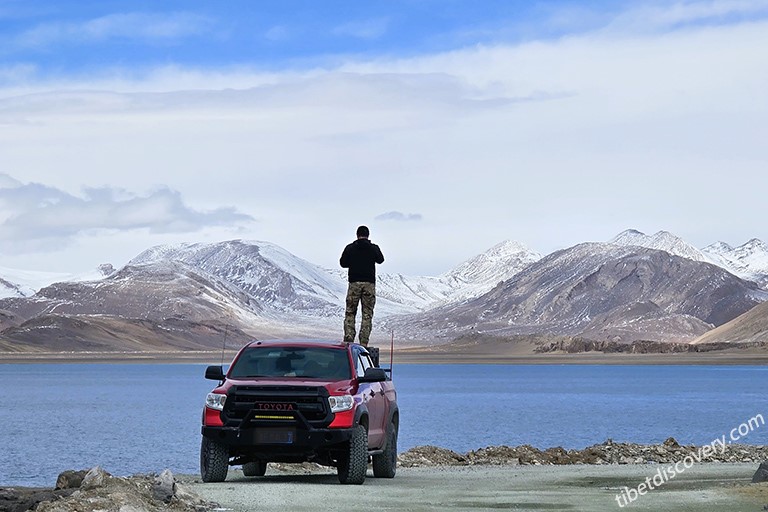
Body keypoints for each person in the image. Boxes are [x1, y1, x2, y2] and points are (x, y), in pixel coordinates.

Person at [339, 225, 384, 346]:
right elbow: (380, 259)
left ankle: (348, 340)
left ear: (357, 235)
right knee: (367, 314)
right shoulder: (373, 248)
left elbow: (343, 263)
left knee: (350, 312)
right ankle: (364, 342)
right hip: (369, 284)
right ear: (368, 235)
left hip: (354, 284)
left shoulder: (350, 248)